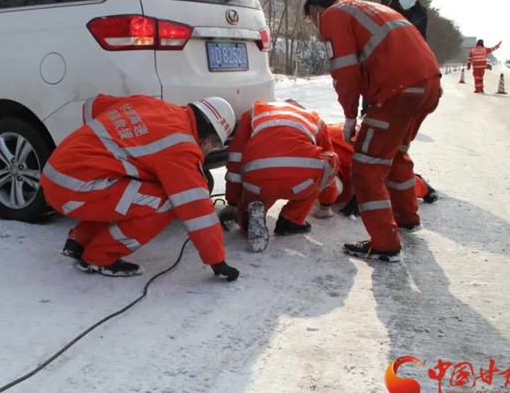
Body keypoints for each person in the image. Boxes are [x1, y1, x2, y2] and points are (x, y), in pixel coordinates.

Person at [298, 0, 441, 262]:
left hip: (398, 90)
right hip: (428, 85)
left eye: (311, 18)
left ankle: (385, 244)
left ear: (313, 9)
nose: (315, 24)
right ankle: (407, 218)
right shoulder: (365, 7)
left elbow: (345, 72)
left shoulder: (332, 17)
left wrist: (350, 115)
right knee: (396, 153)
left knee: (367, 166)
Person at [40, 94, 240, 281]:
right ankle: (100, 256)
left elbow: (93, 105)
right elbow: (196, 208)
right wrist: (216, 260)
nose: (207, 150)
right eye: (212, 146)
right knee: (164, 203)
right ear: (207, 140)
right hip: (74, 188)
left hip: (57, 171)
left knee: (134, 192)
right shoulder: (181, 147)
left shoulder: (154, 105)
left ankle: (79, 241)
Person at [219, 100, 341, 252]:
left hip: (259, 179)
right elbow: (327, 168)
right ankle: (292, 219)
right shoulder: (315, 120)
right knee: (328, 160)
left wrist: (233, 201)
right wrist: (326, 203)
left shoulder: (253, 113)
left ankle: (248, 217)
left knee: (263, 189)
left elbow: (236, 156)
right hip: (300, 182)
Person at [314, 122, 439, 219]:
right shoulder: (316, 153)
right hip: (346, 152)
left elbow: (378, 165)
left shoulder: (341, 144)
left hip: (375, 151)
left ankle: (421, 185)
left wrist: (360, 197)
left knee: (388, 185)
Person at [361, 0, 428, 117]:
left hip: (403, 58)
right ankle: (366, 113)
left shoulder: (421, 15)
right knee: (372, 85)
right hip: (380, 52)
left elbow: (421, 40)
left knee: (395, 92)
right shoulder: (384, 5)